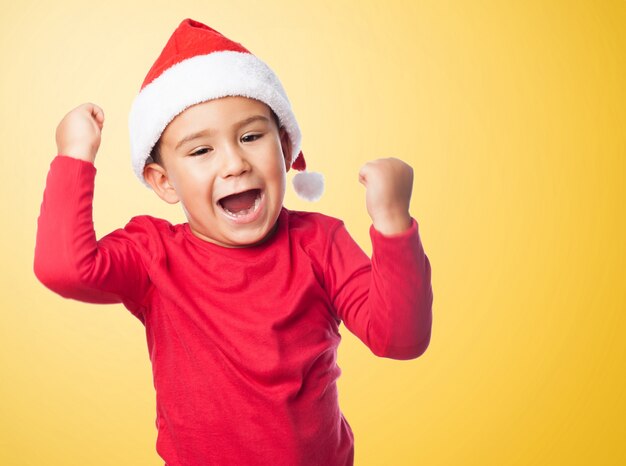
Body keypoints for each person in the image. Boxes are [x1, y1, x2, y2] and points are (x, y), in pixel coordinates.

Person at [34, 18, 433, 466]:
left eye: (250, 136)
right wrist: (74, 155)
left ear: (285, 147)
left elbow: (401, 338)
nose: (235, 163)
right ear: (164, 182)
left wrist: (393, 220)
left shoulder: (320, 242)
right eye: (201, 150)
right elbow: (64, 268)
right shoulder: (153, 254)